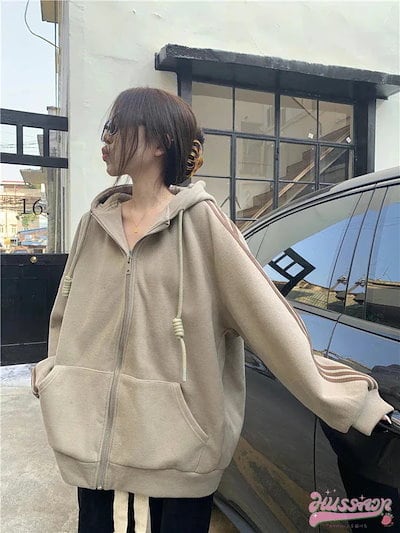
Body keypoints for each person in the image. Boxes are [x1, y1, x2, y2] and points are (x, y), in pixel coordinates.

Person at [31, 87, 394, 533]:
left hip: (175, 462)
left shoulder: (203, 225)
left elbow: (269, 319)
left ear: (160, 142)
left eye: (116, 127)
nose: (105, 138)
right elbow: (65, 313)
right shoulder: (93, 224)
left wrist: (347, 400)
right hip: (95, 456)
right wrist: (53, 373)